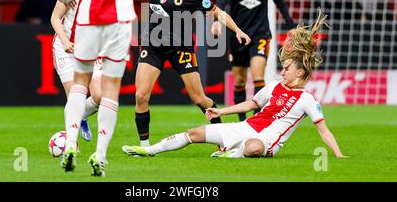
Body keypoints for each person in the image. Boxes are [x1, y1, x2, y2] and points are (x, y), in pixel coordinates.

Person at [49, 0, 198, 176]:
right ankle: (100, 156)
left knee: (80, 85)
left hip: (89, 19)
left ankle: (70, 143)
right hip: (117, 20)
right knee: (110, 92)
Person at [122, 10, 347, 159]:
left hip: (267, 141)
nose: (283, 71)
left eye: (287, 69)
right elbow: (250, 104)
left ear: (299, 72)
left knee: (254, 147)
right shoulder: (274, 87)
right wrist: (221, 110)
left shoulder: (308, 99)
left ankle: (232, 153)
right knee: (194, 133)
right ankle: (149, 150)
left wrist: (338, 155)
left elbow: (323, 130)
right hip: (246, 127)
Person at [134, 0, 250, 148]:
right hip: (152, 44)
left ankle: (223, 138)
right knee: (141, 96)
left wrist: (237, 30)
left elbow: (218, 13)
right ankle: (144, 145)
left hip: (181, 48)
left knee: (199, 99)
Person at [211, 0, 295, 121]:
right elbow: (221, 3)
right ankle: (242, 122)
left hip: (260, 34)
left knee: (258, 76)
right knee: (240, 81)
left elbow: (279, 1)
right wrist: (217, 20)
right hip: (237, 36)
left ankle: (258, 120)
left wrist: (290, 26)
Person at [51, 0, 102, 142]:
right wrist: (65, 41)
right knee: (75, 97)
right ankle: (71, 144)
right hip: (66, 48)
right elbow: (55, 18)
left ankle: (82, 117)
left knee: (99, 96)